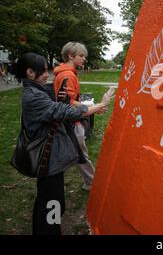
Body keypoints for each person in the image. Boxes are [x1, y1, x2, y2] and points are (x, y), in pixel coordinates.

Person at [12, 52, 113, 235]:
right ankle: (50, 231)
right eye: (43, 72)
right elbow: (62, 111)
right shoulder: (34, 97)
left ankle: (42, 229)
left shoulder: (34, 90)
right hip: (49, 160)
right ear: (29, 72)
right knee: (54, 201)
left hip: (50, 159)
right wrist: (99, 105)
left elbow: (60, 102)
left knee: (46, 198)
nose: (47, 75)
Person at [53, 42, 99, 191]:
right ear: (70, 56)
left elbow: (69, 99)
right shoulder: (67, 75)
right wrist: (90, 108)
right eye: (81, 56)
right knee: (80, 153)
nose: (84, 59)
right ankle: (91, 182)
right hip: (71, 122)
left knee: (75, 152)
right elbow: (68, 102)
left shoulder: (67, 73)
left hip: (67, 120)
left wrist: (87, 106)